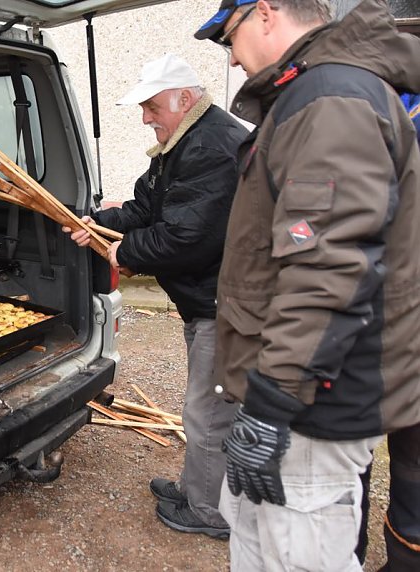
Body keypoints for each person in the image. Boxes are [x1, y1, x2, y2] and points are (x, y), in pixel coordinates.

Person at [194, 0, 420, 569]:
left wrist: (271, 404)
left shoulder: (331, 100)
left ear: (265, 13)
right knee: (257, 543)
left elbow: (329, 267)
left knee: (298, 553)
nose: (231, 53)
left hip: (313, 406)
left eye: (229, 35)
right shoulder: (309, 95)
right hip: (290, 390)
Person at [65, 53, 247, 539]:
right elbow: (147, 205)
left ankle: (210, 512)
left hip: (222, 303)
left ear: (183, 99)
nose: (146, 118)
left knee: (207, 412)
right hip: (205, 299)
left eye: (151, 107)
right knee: (204, 407)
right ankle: (195, 488)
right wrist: (102, 224)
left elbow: (187, 237)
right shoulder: (183, 139)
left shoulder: (212, 147)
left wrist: (124, 250)